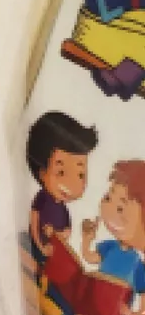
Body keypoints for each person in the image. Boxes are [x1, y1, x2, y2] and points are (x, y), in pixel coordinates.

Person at [49, 160, 145, 315]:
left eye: (121, 208)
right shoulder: (110, 246)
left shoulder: (138, 267)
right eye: (108, 198)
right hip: (90, 303)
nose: (109, 210)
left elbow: (143, 310)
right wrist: (87, 238)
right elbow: (90, 257)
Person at [28, 111, 97, 259]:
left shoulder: (63, 209)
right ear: (41, 172)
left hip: (54, 252)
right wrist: (40, 245)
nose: (71, 184)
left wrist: (59, 234)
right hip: (37, 248)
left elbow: (67, 231)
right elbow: (34, 222)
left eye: (80, 174)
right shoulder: (42, 198)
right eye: (61, 172)